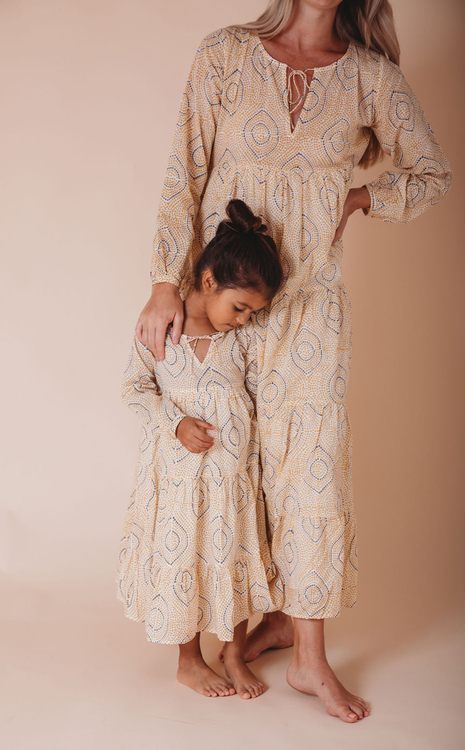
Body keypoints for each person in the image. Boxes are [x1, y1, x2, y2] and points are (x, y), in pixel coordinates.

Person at [135, 0, 452, 722]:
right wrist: (163, 284)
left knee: (308, 469)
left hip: (309, 310)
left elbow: (432, 173)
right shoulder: (223, 54)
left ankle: (309, 656)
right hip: (221, 306)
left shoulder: (370, 77)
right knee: (226, 465)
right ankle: (246, 626)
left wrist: (360, 196)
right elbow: (185, 170)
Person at [117, 199, 284, 699]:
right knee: (183, 561)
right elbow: (134, 389)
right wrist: (174, 424)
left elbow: (260, 395)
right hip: (178, 483)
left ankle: (233, 652)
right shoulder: (160, 329)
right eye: (240, 307)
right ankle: (189, 661)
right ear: (209, 281)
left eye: (253, 312)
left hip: (231, 481)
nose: (244, 319)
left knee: (231, 558)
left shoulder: (243, 340)